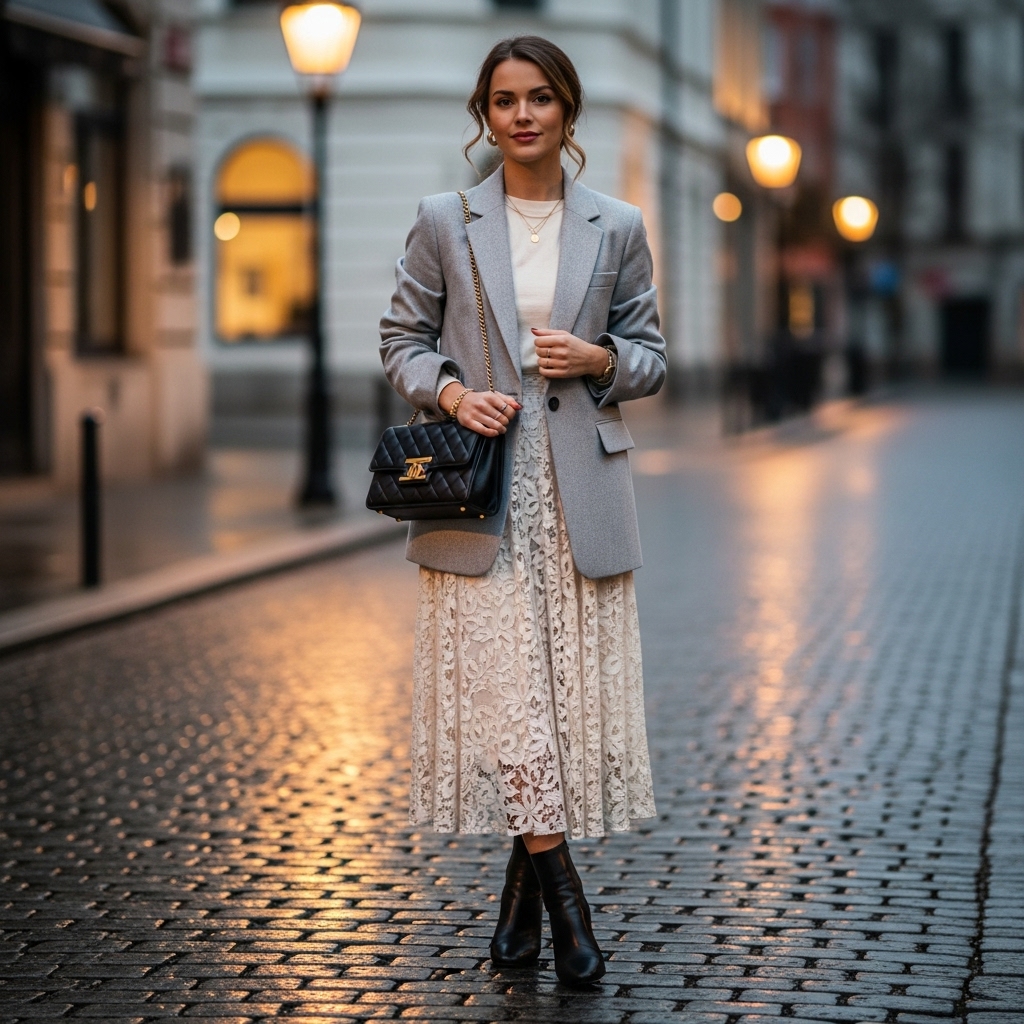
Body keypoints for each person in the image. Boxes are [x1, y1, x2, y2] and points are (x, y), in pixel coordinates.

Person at [379, 35, 665, 987]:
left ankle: (517, 907)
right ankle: (568, 906)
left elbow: (654, 355)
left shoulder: (617, 224)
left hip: (581, 487)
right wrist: (453, 395)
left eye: (540, 97)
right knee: (511, 699)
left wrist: (603, 362)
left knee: (550, 706)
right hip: (482, 494)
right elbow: (402, 339)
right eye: (504, 100)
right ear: (485, 115)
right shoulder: (443, 219)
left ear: (568, 110)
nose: (523, 115)